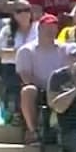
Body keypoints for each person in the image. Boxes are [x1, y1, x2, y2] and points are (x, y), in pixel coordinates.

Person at [16, 14, 69, 143]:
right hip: (39, 89)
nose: (51, 31)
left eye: (53, 28)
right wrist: (48, 86)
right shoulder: (26, 50)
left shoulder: (65, 49)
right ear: (39, 28)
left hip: (60, 89)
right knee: (27, 90)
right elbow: (26, 77)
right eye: (47, 28)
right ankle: (33, 131)